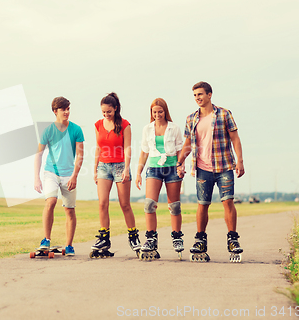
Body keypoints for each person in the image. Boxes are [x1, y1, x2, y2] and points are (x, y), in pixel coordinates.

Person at [177, 81, 245, 262]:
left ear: (209, 95)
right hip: (202, 169)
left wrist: (240, 161)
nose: (197, 98)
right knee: (202, 204)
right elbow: (187, 144)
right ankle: (200, 240)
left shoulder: (224, 114)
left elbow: (235, 139)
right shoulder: (191, 118)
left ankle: (233, 239)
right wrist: (179, 162)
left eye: (200, 94)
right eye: (194, 95)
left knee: (228, 202)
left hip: (224, 167)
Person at [91, 93, 141, 257]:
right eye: (104, 112)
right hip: (104, 167)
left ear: (116, 108)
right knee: (102, 203)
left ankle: (133, 236)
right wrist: (95, 168)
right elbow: (98, 147)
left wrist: (127, 168)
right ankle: (104, 237)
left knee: (124, 204)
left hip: (120, 166)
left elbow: (127, 148)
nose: (106, 115)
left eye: (109, 112)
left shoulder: (125, 124)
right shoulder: (98, 124)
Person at [34, 97, 84, 256]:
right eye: (64, 109)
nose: (67, 112)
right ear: (55, 111)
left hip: (69, 175)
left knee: (70, 210)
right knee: (51, 201)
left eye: (68, 109)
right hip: (51, 173)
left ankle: (69, 245)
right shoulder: (48, 131)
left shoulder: (76, 130)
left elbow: (80, 156)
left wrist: (75, 176)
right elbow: (39, 154)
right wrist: (36, 177)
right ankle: (46, 239)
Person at [135, 98, 185, 259]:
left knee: (174, 206)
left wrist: (180, 165)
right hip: (154, 169)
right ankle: (151, 238)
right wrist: (138, 172)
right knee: (149, 204)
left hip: (172, 169)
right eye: (154, 112)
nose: (157, 114)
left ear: (165, 111)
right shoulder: (147, 129)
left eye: (160, 111)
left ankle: (177, 237)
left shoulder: (174, 128)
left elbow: (179, 149)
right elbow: (144, 151)